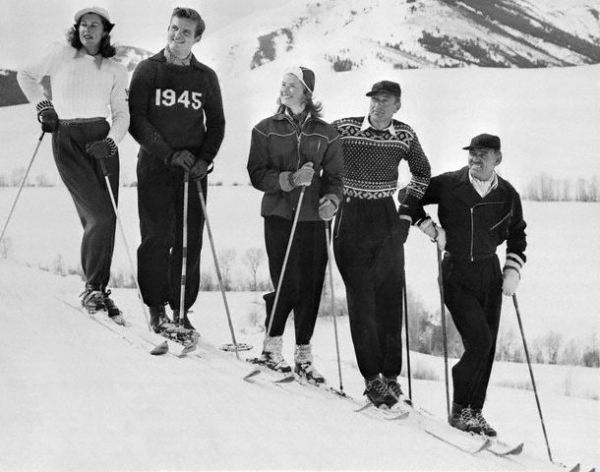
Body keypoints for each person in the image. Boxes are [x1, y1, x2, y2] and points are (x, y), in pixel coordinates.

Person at [17, 7, 129, 325]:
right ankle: (92, 288)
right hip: (67, 138)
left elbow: (122, 114)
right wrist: (44, 107)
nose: (87, 29)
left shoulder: (115, 68)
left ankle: (99, 289)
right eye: (83, 24)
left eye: (94, 25)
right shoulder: (61, 54)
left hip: (101, 142)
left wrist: (111, 142)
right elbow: (26, 75)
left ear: (105, 31)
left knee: (108, 217)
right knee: (99, 215)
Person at [413, 133, 527, 436]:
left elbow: (518, 234)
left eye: (483, 154)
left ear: (497, 159)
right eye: (473, 153)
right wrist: (430, 228)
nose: (476, 159)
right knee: (480, 342)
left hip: (490, 273)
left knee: (487, 348)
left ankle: (474, 411)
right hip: (456, 271)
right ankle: (459, 408)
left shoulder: (508, 194)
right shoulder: (449, 183)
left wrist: (512, 269)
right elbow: (408, 197)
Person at [332, 80, 431, 407]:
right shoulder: (344, 129)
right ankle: (372, 378)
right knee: (361, 299)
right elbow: (316, 149)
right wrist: (328, 193)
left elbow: (422, 174)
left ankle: (391, 376)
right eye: (374, 100)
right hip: (350, 215)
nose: (377, 106)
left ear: (397, 105)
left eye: (385, 101)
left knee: (390, 298)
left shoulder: (405, 135)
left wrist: (406, 213)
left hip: (386, 216)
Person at [129, 7, 225, 333]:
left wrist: (204, 159)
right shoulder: (148, 70)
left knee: (189, 240)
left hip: (192, 171)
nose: (177, 35)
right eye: (174, 28)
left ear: (197, 38)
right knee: (156, 237)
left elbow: (217, 123)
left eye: (186, 31)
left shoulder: (205, 77)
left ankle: (181, 309)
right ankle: (156, 308)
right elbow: (137, 120)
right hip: (156, 165)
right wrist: (169, 154)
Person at [247, 66, 343, 383]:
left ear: (307, 93)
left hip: (313, 217)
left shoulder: (326, 133)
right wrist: (289, 179)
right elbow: (257, 174)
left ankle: (303, 355)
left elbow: (335, 178)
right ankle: (271, 348)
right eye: (283, 84)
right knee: (286, 283)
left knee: (312, 286)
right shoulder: (265, 129)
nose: (285, 89)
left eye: (292, 85)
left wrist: (332, 201)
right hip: (278, 214)